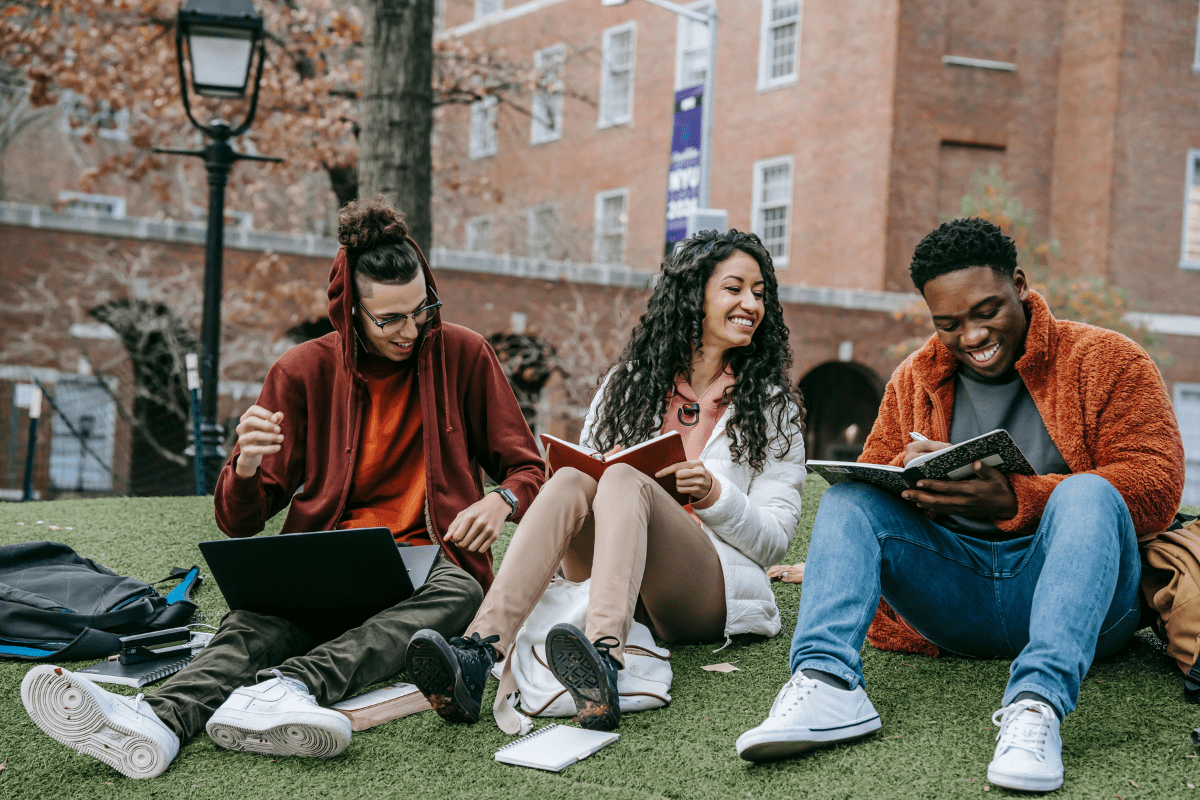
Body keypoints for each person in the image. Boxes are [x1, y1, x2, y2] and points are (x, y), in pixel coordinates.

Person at [20, 197, 546, 779]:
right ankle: (156, 722)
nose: (412, 329)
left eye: (422, 309)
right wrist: (245, 467)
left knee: (463, 596)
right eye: (390, 318)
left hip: (431, 553)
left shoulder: (465, 356)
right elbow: (239, 521)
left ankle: (290, 687)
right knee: (256, 621)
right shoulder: (300, 371)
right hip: (329, 551)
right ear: (350, 312)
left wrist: (502, 499)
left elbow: (529, 469)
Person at [737, 218, 1185, 792]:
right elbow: (877, 482)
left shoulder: (1109, 360)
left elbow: (1158, 485)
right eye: (948, 323)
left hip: (1082, 605)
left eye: (986, 312)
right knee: (850, 497)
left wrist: (1018, 498)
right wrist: (906, 496)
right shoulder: (914, 378)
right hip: (955, 600)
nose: (971, 336)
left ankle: (1036, 706)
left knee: (1089, 491)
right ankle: (826, 684)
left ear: (1019, 284)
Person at [403, 229, 807, 732]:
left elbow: (773, 541)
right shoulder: (628, 384)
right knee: (576, 477)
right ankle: (478, 651)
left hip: (702, 591)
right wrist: (602, 466)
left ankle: (603, 659)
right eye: (734, 288)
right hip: (609, 573)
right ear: (693, 295)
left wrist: (714, 495)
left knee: (623, 481)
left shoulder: (771, 407)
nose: (751, 303)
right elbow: (590, 477)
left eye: (759, 292)